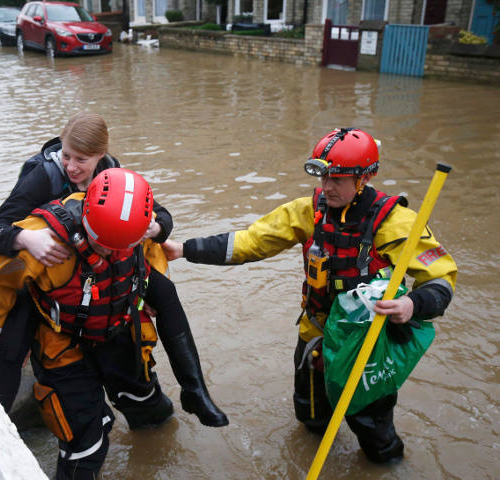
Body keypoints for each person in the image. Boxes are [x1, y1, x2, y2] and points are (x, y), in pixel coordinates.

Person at [162, 127, 457, 463]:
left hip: (365, 344)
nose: (327, 187)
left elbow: (442, 277)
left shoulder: (397, 223)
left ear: (365, 178)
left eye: (338, 179)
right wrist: (184, 249)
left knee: (375, 432)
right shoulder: (309, 212)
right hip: (315, 332)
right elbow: (252, 240)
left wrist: (412, 304)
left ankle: (386, 461)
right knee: (310, 415)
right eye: (323, 177)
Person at [0, 112, 227, 427]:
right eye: (66, 155)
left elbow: (162, 215)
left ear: (101, 156)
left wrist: (155, 228)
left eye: (81, 159)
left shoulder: (114, 173)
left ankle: (195, 390)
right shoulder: (44, 176)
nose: (71, 166)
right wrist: (25, 237)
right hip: (52, 270)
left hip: (103, 266)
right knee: (15, 340)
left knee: (164, 291)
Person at [0, 169, 203, 478]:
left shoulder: (142, 227)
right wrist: (1, 337)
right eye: (103, 244)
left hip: (119, 330)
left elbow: (153, 263)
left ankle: (154, 454)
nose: (109, 252)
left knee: (150, 407)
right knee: (85, 442)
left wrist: (145, 292)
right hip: (62, 345)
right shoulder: (44, 240)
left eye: (118, 246)